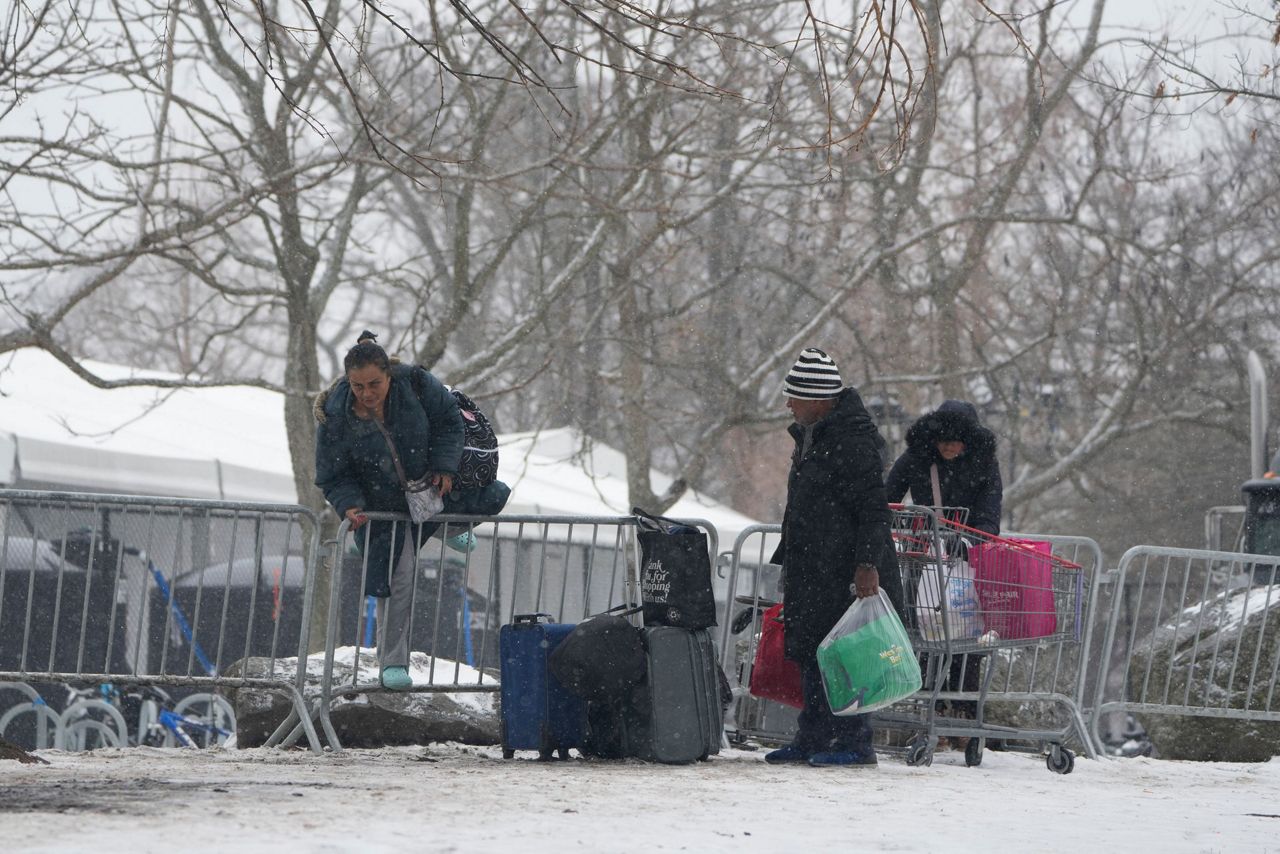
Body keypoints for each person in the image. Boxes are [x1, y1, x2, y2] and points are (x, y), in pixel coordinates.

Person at [314, 332, 510, 691]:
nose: (367, 394)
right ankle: (393, 663)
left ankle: (447, 529)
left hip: (429, 483)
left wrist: (445, 466)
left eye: (374, 383)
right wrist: (350, 505)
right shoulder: (336, 414)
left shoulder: (417, 384)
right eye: (358, 387)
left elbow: (450, 422)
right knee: (397, 579)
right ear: (348, 382)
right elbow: (332, 474)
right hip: (382, 506)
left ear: (389, 374)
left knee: (493, 495)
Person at [765, 347, 905, 767]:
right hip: (811, 564)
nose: (788, 403)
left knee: (848, 656)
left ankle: (854, 742)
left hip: (843, 569)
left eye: (794, 396)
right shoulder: (811, 436)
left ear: (819, 398)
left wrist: (867, 564)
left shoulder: (853, 440)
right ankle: (813, 737)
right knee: (812, 652)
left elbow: (872, 509)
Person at [884, 399, 1003, 742]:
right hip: (922, 562)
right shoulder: (916, 459)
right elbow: (887, 500)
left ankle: (962, 715)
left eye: (957, 439)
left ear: (970, 440)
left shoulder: (985, 466)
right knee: (925, 634)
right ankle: (932, 709)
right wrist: (905, 524)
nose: (950, 446)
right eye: (944, 439)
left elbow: (989, 517)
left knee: (966, 638)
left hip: (965, 564)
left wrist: (965, 541)